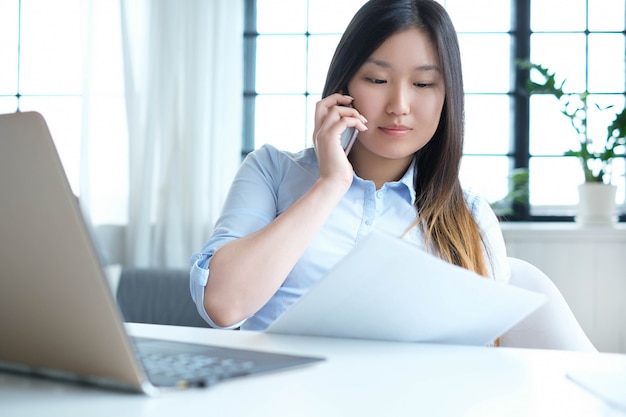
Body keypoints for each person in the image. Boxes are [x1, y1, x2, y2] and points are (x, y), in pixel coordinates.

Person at [190, 0, 510, 332]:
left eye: (423, 84)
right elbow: (223, 307)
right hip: (277, 382)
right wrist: (330, 184)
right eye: (376, 79)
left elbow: (484, 350)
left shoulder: (469, 217)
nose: (399, 106)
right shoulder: (272, 171)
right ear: (344, 88)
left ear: (447, 97)